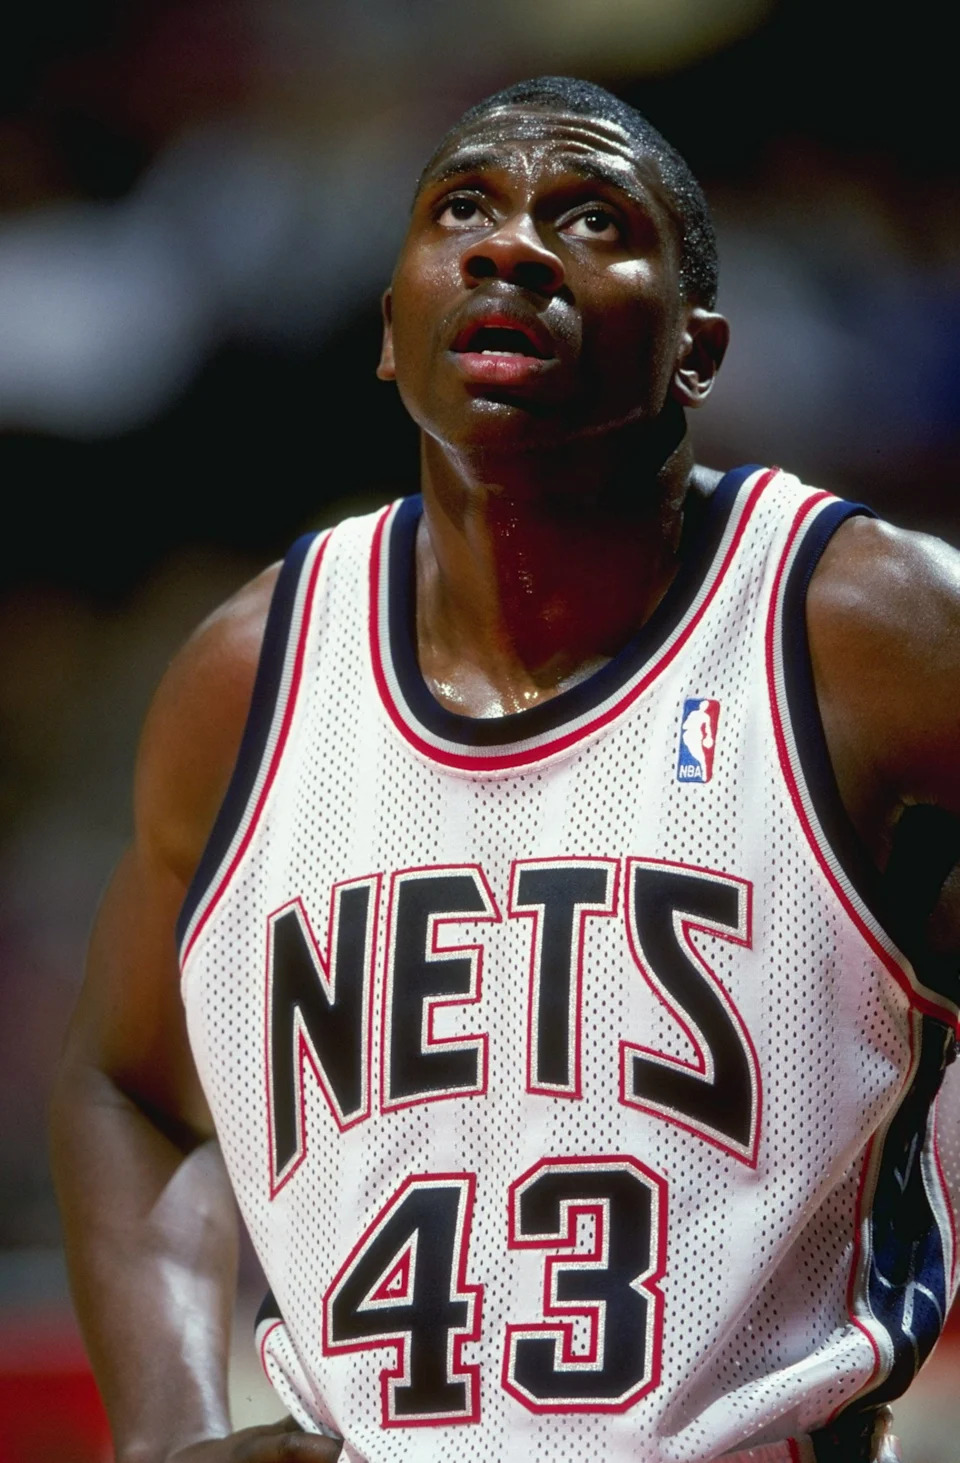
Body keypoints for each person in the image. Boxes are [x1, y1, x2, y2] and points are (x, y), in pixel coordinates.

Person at [48, 75, 960, 1463]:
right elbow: (129, 1087)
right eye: (463, 207)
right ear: (388, 330)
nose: (513, 246)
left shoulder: (870, 630)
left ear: (699, 346)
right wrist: (168, 1435)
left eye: (590, 217)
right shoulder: (252, 675)